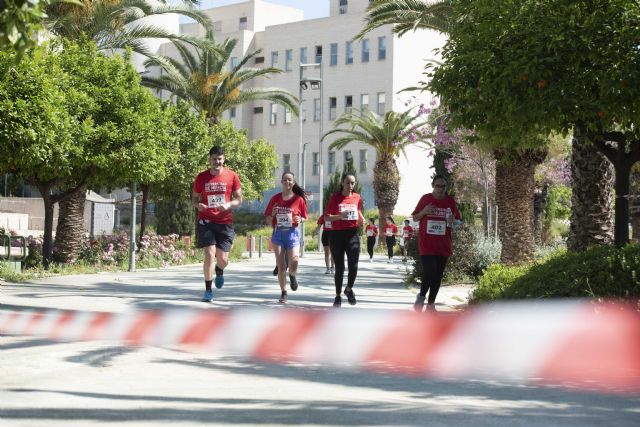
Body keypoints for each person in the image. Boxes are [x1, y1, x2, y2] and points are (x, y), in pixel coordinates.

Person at [192, 146, 243, 302]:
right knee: (209, 254)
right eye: (214, 159)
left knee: (223, 260)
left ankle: (219, 270)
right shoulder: (201, 177)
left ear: (224, 159)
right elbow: (194, 198)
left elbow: (239, 199)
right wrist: (198, 205)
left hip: (225, 222)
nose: (217, 162)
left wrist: (228, 205)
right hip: (206, 220)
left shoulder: (232, 176)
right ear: (209, 159)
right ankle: (208, 290)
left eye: (220, 159)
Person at [411, 174, 461, 312]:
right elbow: (415, 218)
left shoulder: (450, 201)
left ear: (446, 187)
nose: (440, 189)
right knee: (430, 271)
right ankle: (421, 296)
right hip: (427, 244)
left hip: (443, 244)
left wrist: (453, 221)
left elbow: (458, 221)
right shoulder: (426, 199)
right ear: (433, 185)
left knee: (438, 275)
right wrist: (424, 211)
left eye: (443, 186)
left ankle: (431, 304)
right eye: (437, 186)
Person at [265, 172, 308, 303]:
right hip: (278, 234)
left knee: (294, 261)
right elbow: (267, 220)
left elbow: (305, 217)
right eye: (285, 180)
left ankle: (293, 275)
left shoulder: (299, 200)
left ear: (293, 183)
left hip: (293, 233)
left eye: (290, 180)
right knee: (281, 265)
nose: (287, 182)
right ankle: (283, 292)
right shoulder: (275, 199)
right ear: (282, 182)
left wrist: (300, 219)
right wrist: (272, 214)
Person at [324, 172, 364, 307]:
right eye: (348, 182)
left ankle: (348, 289)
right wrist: (340, 216)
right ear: (342, 183)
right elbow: (327, 217)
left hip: (352, 234)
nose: (350, 185)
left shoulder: (357, 197)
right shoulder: (335, 198)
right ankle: (337, 296)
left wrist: (361, 219)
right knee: (340, 268)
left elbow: (358, 211)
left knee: (354, 266)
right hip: (336, 235)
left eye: (353, 183)